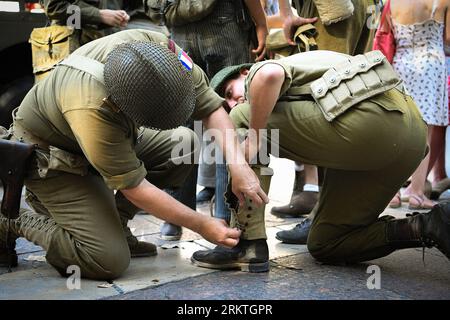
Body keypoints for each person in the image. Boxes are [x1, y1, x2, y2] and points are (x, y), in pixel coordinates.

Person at [0, 29, 269, 279]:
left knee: (183, 144)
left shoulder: (163, 52)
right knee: (106, 261)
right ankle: (10, 219)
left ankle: (117, 225)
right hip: (54, 157)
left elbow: (210, 108)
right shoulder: (92, 107)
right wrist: (202, 225)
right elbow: (134, 186)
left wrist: (239, 168)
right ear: (127, 106)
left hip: (101, 139)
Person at [190, 49, 450, 272]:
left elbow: (269, 75)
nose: (230, 101)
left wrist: (255, 136)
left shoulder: (263, 70)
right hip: (409, 139)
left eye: (228, 91)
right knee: (327, 243)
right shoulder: (316, 69)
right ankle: (427, 226)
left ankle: (247, 245)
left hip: (373, 123)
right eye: (224, 100)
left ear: (244, 74)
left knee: (240, 118)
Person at [155, 0, 269, 240]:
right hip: (225, 26)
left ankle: (176, 214)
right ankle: (226, 215)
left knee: (182, 117)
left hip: (180, 28)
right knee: (232, 115)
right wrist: (261, 23)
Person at [269, 0, 378, 244]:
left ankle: (325, 217)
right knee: (350, 95)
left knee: (328, 99)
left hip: (330, 8)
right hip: (360, 6)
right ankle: (337, 211)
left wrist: (286, 14)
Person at [387, 0, 449, 209]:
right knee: (425, 132)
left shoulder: (392, 1)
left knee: (398, 131)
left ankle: (392, 193)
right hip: (430, 66)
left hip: (400, 64)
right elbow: (449, 39)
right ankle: (416, 193)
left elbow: (386, 32)